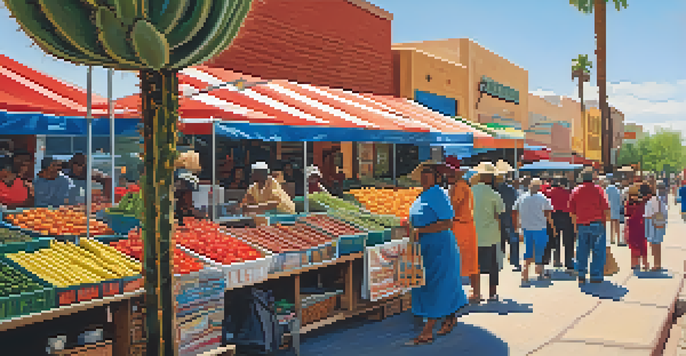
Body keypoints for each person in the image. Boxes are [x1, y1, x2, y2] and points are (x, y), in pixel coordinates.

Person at [406, 163, 466, 346]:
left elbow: (448, 223)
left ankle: (427, 331)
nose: (424, 176)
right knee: (434, 283)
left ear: (436, 177)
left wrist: (420, 230)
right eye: (422, 173)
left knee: (436, 284)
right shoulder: (422, 194)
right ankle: (449, 318)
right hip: (425, 246)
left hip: (440, 246)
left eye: (428, 173)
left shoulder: (439, 194)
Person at [445, 156, 480, 304]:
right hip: (466, 225)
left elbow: (452, 208)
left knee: (457, 261)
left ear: (458, 174)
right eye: (448, 173)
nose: (449, 176)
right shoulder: (462, 185)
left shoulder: (459, 187)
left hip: (460, 226)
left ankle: (461, 295)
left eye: (452, 173)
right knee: (470, 261)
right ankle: (475, 293)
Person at [568, 168, 610, 284]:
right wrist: (605, 222)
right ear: (592, 178)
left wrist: (575, 226)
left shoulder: (576, 191)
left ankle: (581, 275)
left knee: (581, 251)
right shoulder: (599, 190)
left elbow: (572, 212)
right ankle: (596, 276)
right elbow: (606, 208)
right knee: (598, 251)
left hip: (582, 224)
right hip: (597, 223)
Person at [471, 162, 505, 301]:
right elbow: (499, 215)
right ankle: (492, 293)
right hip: (491, 235)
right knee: (492, 265)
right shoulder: (494, 194)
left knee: (475, 266)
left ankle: (476, 293)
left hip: (473, 233)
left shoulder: (470, 191)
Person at [514, 179, 554, 283]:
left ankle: (525, 274)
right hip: (540, 228)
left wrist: (517, 225)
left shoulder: (522, 197)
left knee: (528, 251)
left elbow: (514, 211)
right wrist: (552, 226)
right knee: (540, 250)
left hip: (526, 228)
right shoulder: (542, 198)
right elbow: (548, 212)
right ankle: (539, 272)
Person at [545, 177, 575, 272]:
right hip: (567, 216)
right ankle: (569, 262)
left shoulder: (549, 192)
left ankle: (556, 260)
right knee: (568, 241)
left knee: (554, 239)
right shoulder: (568, 192)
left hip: (553, 216)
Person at [494, 161, 520, 272]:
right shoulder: (511, 190)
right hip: (509, 217)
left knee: (498, 242)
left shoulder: (493, 190)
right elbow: (515, 205)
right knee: (513, 241)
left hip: (497, 218)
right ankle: (514, 262)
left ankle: (498, 261)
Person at [625, 184, 649, 270]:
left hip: (632, 226)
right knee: (643, 245)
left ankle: (634, 263)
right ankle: (645, 263)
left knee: (633, 245)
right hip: (641, 225)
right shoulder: (642, 202)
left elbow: (627, 214)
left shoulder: (628, 203)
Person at [645, 183, 666, 271]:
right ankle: (658, 263)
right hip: (659, 223)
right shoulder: (661, 200)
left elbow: (649, 214)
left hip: (653, 223)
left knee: (654, 244)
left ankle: (656, 264)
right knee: (657, 244)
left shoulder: (652, 201)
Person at [605, 176, 622, 245]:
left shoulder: (607, 189)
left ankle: (612, 239)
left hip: (609, 208)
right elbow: (620, 199)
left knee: (611, 224)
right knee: (617, 224)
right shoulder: (617, 190)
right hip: (616, 208)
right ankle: (618, 239)